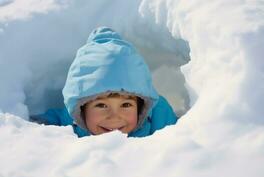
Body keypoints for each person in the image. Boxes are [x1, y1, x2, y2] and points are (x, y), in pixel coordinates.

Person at [31, 27, 178, 137]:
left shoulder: (158, 118)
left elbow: (182, 135)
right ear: (81, 109)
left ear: (141, 107)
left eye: (126, 105)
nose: (114, 117)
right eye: (101, 105)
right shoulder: (70, 122)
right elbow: (47, 121)